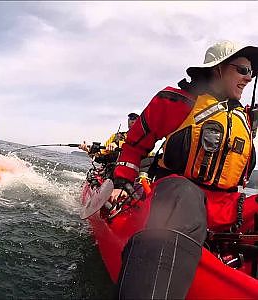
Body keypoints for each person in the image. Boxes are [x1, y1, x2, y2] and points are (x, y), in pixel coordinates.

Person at [110, 40, 258, 299]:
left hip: (225, 207)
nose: (249, 78)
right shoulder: (175, 102)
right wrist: (122, 183)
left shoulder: (243, 116)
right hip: (176, 197)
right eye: (242, 70)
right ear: (218, 69)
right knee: (183, 194)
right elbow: (134, 146)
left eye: (252, 73)